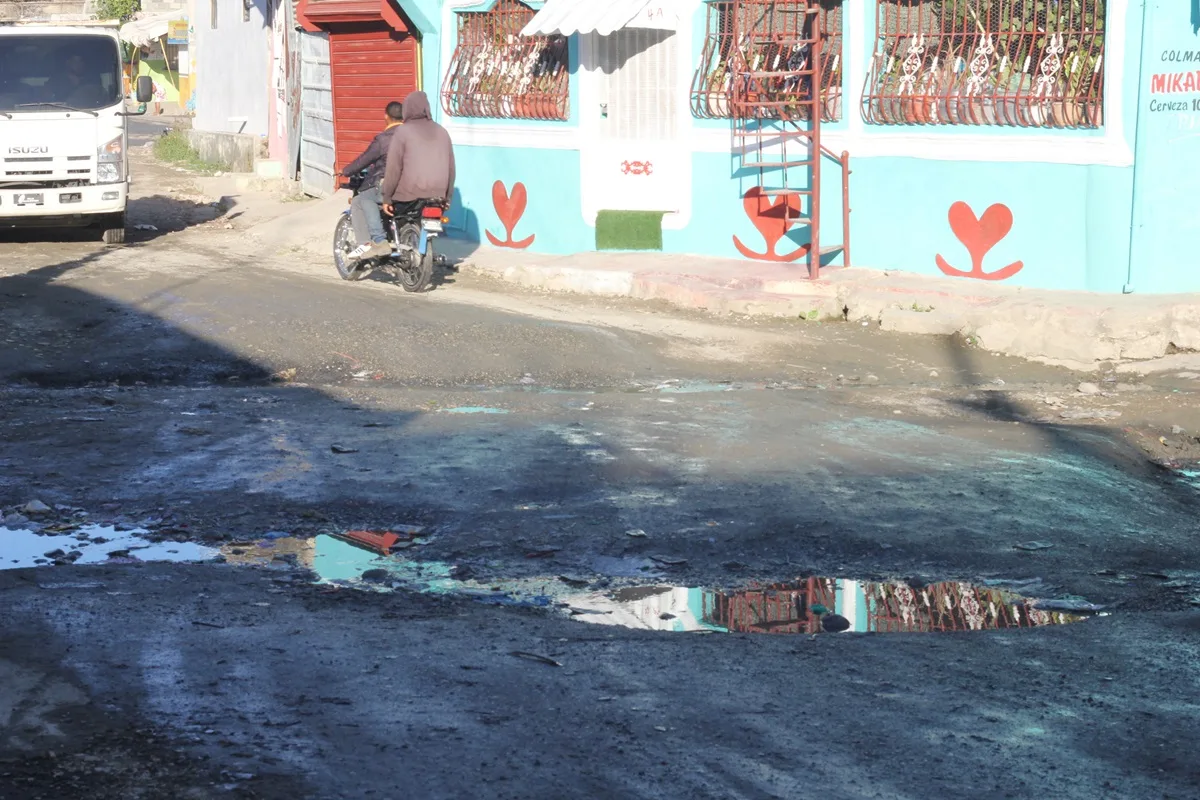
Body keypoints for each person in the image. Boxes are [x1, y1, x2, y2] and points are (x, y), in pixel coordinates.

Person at [380, 91, 455, 233]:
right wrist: (448, 197)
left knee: (390, 221)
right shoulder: (442, 132)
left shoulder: (402, 132)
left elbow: (394, 168)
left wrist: (387, 196)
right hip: (437, 195)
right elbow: (451, 169)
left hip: (409, 195)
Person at [342, 101, 405, 262]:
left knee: (362, 198)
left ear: (386, 117)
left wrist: (346, 171)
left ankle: (375, 241)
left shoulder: (383, 140)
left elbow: (364, 160)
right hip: (412, 186)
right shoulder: (413, 137)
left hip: (386, 183)